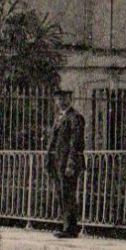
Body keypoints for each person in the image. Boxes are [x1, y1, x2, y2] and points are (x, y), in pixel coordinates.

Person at [45, 87, 86, 238]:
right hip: (57, 162)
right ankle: (66, 226)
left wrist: (71, 163)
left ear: (70, 99)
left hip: (68, 163)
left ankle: (70, 229)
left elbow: (76, 143)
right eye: (58, 99)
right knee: (61, 194)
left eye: (63, 98)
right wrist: (48, 158)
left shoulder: (75, 117)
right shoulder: (60, 117)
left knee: (68, 194)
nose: (60, 101)